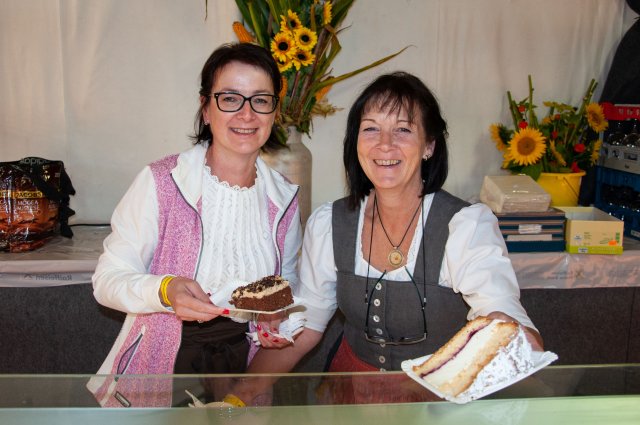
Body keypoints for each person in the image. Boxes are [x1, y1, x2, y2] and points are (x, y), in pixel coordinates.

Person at [239, 71, 543, 404]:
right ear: (355, 142)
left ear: (429, 145)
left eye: (403, 129)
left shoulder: (465, 226)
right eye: (371, 128)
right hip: (349, 396)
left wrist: (507, 328)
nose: (385, 144)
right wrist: (247, 386)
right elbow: (309, 324)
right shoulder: (330, 223)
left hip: (436, 405)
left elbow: (507, 317)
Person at [86, 43, 302, 408]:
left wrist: (277, 318)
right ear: (205, 108)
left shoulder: (283, 198)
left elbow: (287, 283)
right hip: (166, 360)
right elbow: (106, 281)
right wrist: (165, 290)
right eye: (230, 98)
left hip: (245, 364)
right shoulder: (160, 181)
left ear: (274, 112)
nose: (246, 114)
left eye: (260, 100)